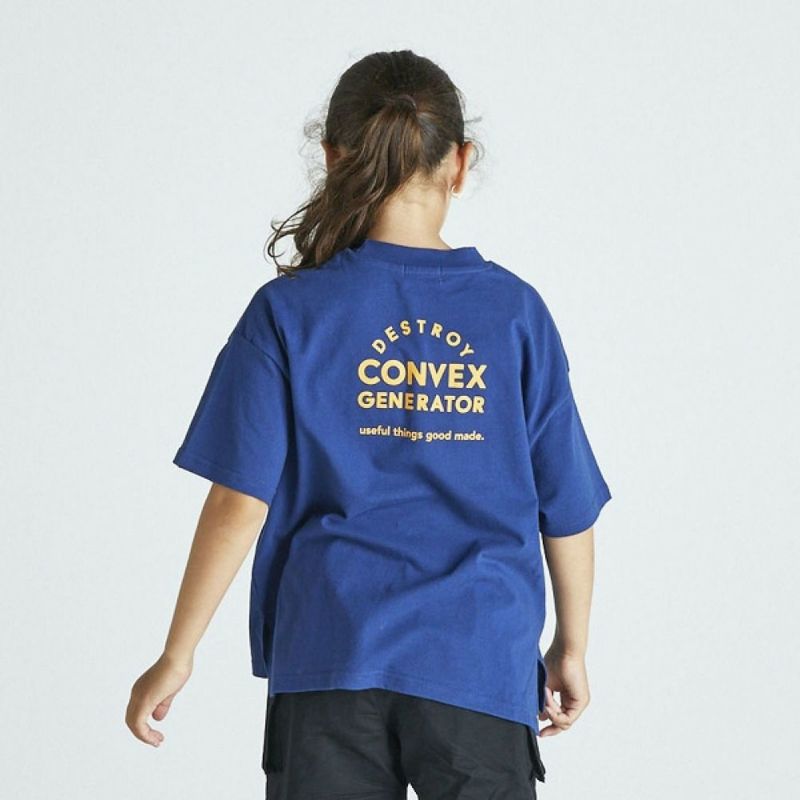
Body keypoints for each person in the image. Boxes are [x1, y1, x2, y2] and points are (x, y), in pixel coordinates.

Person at [125, 49, 612, 800]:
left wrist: (177, 653)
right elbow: (567, 505)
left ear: (332, 159)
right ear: (460, 162)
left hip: (331, 655)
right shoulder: (514, 313)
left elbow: (238, 500)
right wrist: (571, 647)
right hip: (478, 659)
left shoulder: (289, 312)